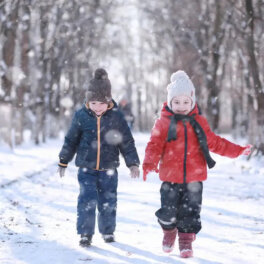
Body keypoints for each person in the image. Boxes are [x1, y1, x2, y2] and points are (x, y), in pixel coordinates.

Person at [142, 70, 252, 258]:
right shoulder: (163, 123)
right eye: (176, 102)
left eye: (186, 102)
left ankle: (185, 241)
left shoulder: (199, 122)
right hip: (170, 177)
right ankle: (169, 232)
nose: (181, 106)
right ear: (169, 101)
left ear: (192, 101)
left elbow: (215, 142)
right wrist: (148, 163)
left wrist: (237, 150)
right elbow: (154, 145)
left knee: (190, 212)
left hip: (194, 178)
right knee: (167, 211)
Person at [58, 68, 140, 247]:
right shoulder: (81, 116)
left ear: (109, 101)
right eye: (93, 102)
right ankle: (85, 233)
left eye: (101, 103)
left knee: (108, 201)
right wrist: (64, 160)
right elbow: (71, 139)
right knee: (86, 200)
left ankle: (108, 231)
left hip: (109, 168)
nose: (97, 107)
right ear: (88, 101)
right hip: (86, 168)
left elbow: (126, 141)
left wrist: (132, 163)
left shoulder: (116, 117)